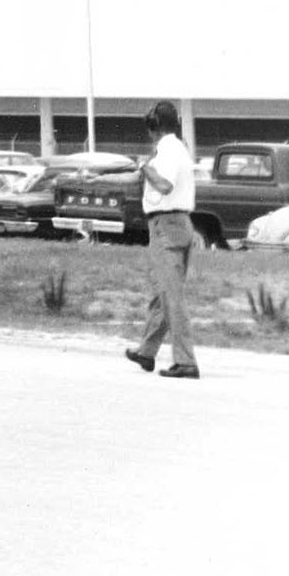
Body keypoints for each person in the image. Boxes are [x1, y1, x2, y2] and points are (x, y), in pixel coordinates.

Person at [126, 100, 201, 378]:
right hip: (180, 223)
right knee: (164, 292)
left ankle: (186, 361)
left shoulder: (167, 150)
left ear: (154, 126)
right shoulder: (179, 147)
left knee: (171, 296)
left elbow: (164, 184)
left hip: (165, 225)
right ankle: (147, 351)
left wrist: (145, 168)